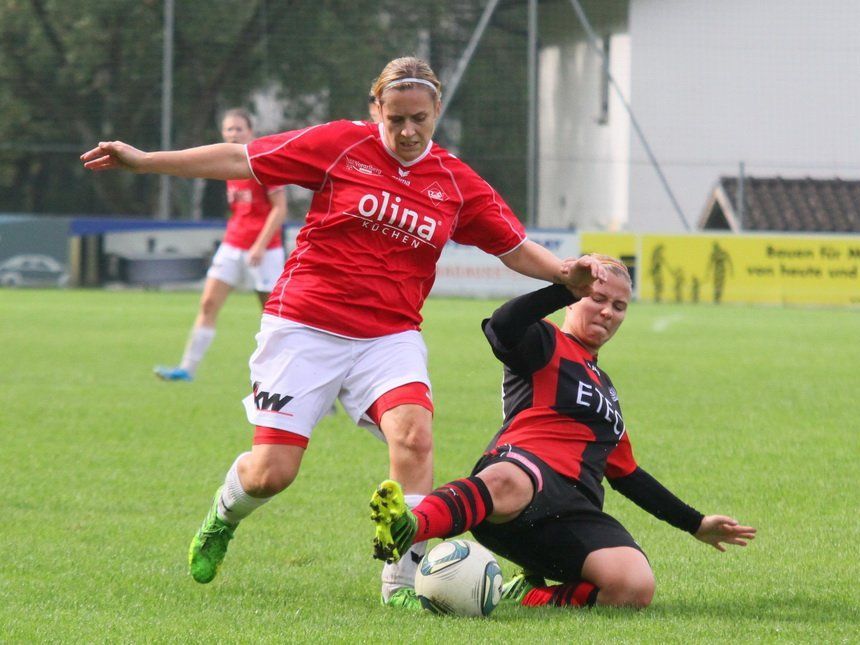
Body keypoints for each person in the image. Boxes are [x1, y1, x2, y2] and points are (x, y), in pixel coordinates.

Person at [81, 56, 583, 607]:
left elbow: (513, 247)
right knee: (271, 474)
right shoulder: (341, 144)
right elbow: (239, 158)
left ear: (437, 109)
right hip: (304, 326)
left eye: (420, 117)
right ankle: (224, 515)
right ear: (377, 110)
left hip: (389, 337)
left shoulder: (456, 183)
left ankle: (399, 584)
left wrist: (565, 274)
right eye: (396, 119)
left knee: (414, 438)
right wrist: (145, 161)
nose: (409, 131)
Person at [370, 254, 756, 610]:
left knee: (635, 587)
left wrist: (696, 523)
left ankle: (532, 594)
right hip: (516, 489)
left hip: (572, 516)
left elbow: (629, 476)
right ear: (575, 300)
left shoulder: (607, 391)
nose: (607, 312)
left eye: (619, 307)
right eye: (596, 298)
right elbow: (502, 325)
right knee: (510, 477)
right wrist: (561, 287)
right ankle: (410, 525)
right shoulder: (545, 343)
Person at [155, 109, 287, 382]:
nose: (233, 134)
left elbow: (280, 209)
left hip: (265, 251)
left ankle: (292, 380)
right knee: (208, 305)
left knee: (275, 318)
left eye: (239, 129)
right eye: (229, 130)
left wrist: (260, 246)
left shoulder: (263, 162)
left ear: (251, 132)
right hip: (232, 244)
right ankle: (186, 369)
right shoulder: (227, 166)